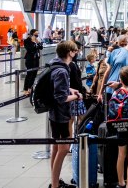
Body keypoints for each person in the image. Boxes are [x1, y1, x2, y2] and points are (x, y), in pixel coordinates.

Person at [48, 41, 83, 188]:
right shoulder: (63, 70)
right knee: (63, 149)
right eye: (74, 51)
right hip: (61, 115)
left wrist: (69, 89)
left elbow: (57, 87)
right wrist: (76, 96)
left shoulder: (54, 64)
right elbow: (61, 98)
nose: (76, 54)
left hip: (53, 114)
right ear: (69, 52)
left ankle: (55, 181)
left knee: (56, 148)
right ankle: (55, 185)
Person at [99, 29, 128, 103]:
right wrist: (100, 92)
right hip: (109, 90)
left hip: (126, 94)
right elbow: (108, 72)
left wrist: (119, 84)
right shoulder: (116, 52)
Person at [23, 29, 43, 95]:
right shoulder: (27, 41)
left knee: (34, 74)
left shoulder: (37, 40)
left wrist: (37, 43)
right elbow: (30, 49)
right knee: (29, 74)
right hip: (30, 59)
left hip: (36, 59)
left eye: (38, 34)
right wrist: (35, 44)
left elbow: (41, 47)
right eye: (36, 34)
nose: (37, 35)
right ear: (32, 34)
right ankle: (25, 89)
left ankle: (30, 88)